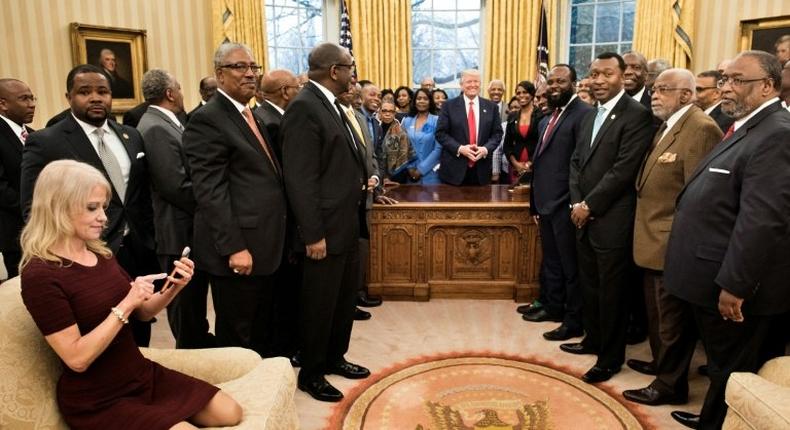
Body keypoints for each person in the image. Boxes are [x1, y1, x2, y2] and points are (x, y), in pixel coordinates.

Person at [19, 159, 242, 429]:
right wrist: (127, 303)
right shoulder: (41, 275)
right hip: (98, 399)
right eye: (92, 208)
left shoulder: (99, 253)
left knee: (231, 412)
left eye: (103, 207)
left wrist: (175, 285)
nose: (103, 217)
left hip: (139, 375)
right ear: (58, 208)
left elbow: (144, 312)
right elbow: (77, 359)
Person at [664, 50, 790, 430]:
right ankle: (712, 417)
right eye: (724, 80)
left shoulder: (777, 134)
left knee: (731, 367)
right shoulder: (744, 126)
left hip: (734, 285)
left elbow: (762, 220)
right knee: (724, 365)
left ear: (768, 85)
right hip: (710, 270)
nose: (726, 88)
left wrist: (734, 285)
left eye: (738, 80)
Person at [21, 64, 159, 347]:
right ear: (68, 96)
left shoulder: (131, 136)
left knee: (140, 329)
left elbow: (140, 196)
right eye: (85, 92)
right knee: (98, 335)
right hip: (85, 257)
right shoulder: (47, 141)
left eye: (102, 91)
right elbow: (33, 208)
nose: (95, 98)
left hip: (138, 250)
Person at [621, 69, 721, 407]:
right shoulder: (667, 125)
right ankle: (663, 365)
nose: (654, 94)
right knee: (659, 316)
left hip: (671, 244)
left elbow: (698, 197)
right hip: (651, 240)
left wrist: (679, 243)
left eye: (664, 89)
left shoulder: (701, 129)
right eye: (655, 88)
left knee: (671, 321)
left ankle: (670, 385)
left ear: (686, 94)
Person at [280, 42, 371, 402]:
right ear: (335, 71)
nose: (353, 74)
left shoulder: (332, 104)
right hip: (323, 231)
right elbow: (300, 179)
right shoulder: (304, 107)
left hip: (345, 224)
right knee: (319, 303)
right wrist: (312, 234)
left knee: (342, 298)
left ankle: (335, 357)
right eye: (350, 67)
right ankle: (312, 372)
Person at [183, 43, 286, 358]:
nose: (250, 74)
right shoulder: (208, 119)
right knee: (237, 334)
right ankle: (236, 396)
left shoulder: (249, 114)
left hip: (266, 242)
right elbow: (210, 192)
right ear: (219, 75)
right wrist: (234, 247)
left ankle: (260, 392)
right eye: (239, 67)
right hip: (239, 248)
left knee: (261, 328)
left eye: (253, 67)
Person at [561, 52, 654, 384]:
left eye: (606, 74)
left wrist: (589, 205)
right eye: (594, 74)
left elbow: (623, 171)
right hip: (582, 216)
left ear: (622, 76)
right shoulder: (589, 115)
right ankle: (594, 339)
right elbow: (575, 163)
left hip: (612, 219)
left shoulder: (637, 115)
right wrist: (576, 203)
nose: (598, 80)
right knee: (590, 286)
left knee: (612, 292)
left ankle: (610, 358)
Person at [136, 69, 215, 349]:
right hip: (176, 229)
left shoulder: (167, 122)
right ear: (170, 93)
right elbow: (174, 184)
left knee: (193, 299)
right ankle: (190, 351)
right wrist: (210, 205)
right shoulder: (156, 126)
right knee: (182, 300)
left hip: (185, 225)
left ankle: (198, 340)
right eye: (179, 88)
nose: (182, 93)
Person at [526, 65, 593, 343]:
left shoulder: (585, 115)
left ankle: (573, 320)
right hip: (545, 203)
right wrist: (535, 203)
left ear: (574, 84)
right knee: (552, 262)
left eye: (561, 81)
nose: (554, 86)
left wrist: (574, 202)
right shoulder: (547, 118)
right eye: (550, 81)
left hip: (566, 204)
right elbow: (541, 165)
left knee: (570, 267)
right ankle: (553, 308)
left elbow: (582, 166)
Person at [436, 69, 503, 186]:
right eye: (469, 82)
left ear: (480, 84)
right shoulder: (448, 106)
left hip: (481, 170)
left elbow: (497, 134)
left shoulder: (491, 107)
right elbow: (440, 133)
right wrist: (460, 148)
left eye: (476, 81)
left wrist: (486, 149)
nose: (473, 85)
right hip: (453, 171)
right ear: (461, 85)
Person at [0, 78, 35, 279]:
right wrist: (35, 208)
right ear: (3, 104)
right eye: (24, 99)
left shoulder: (31, 134)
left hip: (39, 231)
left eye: (32, 98)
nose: (32, 104)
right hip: (15, 232)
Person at [254, 69, 301, 162]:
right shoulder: (273, 125)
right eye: (298, 87)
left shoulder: (260, 113)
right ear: (285, 91)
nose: (300, 92)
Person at [503, 80, 540, 185]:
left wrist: (529, 164)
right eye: (518, 93)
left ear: (532, 94)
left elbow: (542, 143)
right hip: (515, 168)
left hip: (535, 166)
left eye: (525, 92)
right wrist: (516, 164)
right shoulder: (512, 116)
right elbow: (507, 144)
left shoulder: (540, 115)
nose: (521, 95)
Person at [401, 88, 441, 184]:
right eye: (419, 98)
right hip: (410, 175)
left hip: (431, 175)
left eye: (425, 99)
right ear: (414, 102)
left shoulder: (437, 121)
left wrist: (421, 170)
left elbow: (438, 149)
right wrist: (410, 168)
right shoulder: (406, 121)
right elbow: (402, 147)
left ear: (430, 102)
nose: (421, 101)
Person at [376, 100, 414, 182]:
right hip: (377, 175)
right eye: (384, 111)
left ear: (395, 113)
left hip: (397, 176)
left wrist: (389, 177)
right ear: (379, 112)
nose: (387, 114)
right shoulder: (375, 129)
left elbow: (404, 156)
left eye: (391, 111)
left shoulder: (401, 132)